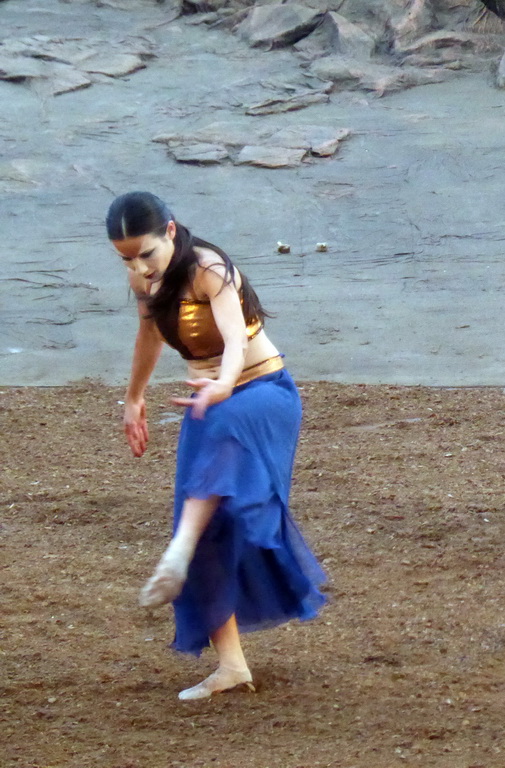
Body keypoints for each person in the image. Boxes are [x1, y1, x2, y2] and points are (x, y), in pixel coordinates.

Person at [107, 191, 326, 700]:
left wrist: (225, 383)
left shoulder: (209, 268)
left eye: (146, 254)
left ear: (172, 232)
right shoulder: (141, 278)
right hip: (207, 403)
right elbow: (149, 337)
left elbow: (233, 338)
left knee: (211, 489)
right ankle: (231, 665)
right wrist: (134, 398)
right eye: (127, 258)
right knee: (210, 528)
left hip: (260, 395)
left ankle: (177, 550)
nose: (139, 267)